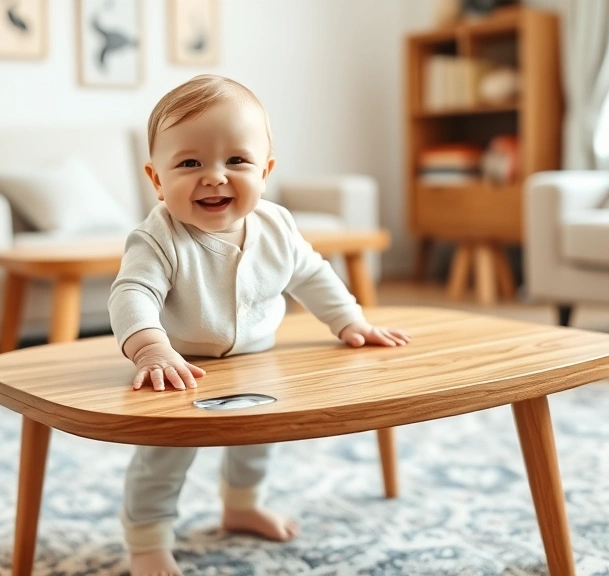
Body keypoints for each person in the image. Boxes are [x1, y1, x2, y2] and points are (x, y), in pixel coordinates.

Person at [108, 74, 411, 576]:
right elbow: (132, 293)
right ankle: (147, 541)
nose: (215, 177)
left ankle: (242, 505)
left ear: (266, 170)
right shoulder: (157, 237)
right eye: (189, 163)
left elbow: (312, 273)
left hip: (256, 359)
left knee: (257, 440)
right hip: (181, 370)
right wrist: (150, 350)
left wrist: (350, 321)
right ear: (156, 178)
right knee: (164, 458)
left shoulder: (277, 226)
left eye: (238, 161)